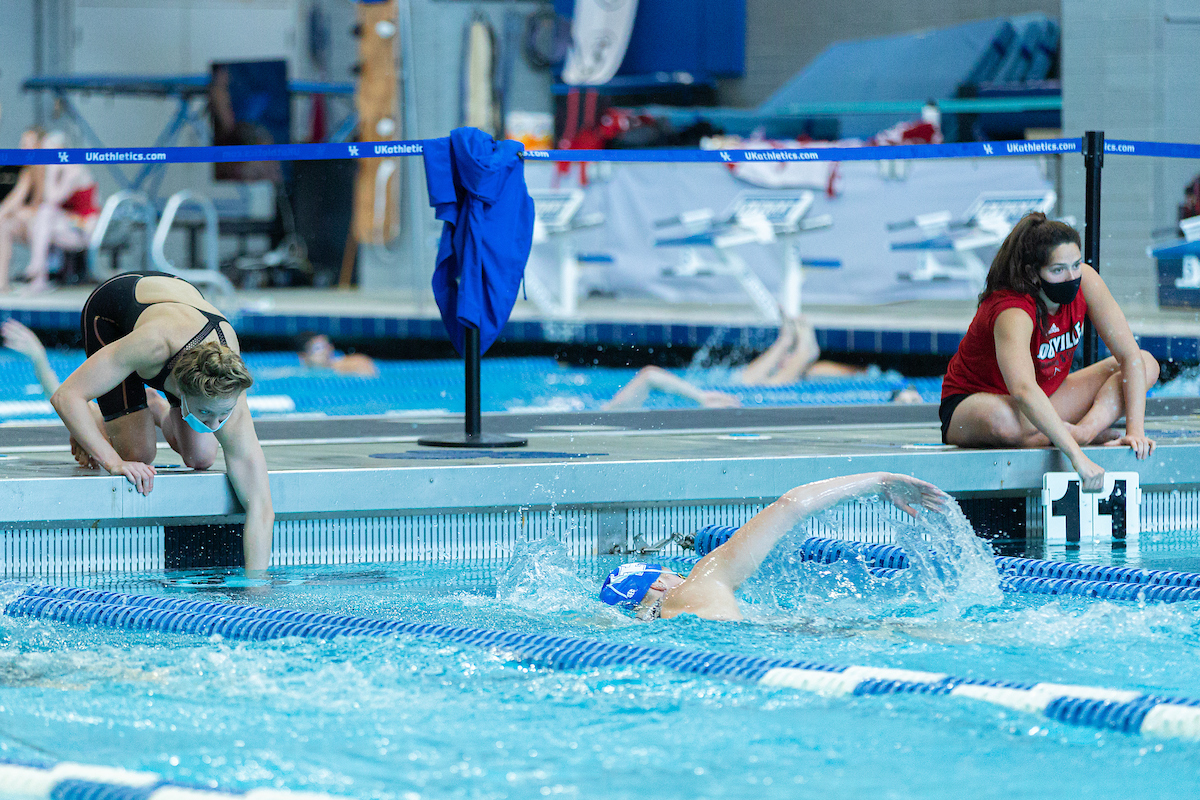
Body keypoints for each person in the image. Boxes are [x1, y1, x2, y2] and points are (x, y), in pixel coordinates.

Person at [50, 271, 274, 572]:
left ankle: (153, 406)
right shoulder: (151, 345)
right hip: (115, 311)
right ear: (180, 391)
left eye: (223, 414)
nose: (216, 423)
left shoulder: (228, 384)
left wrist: (256, 587)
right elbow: (65, 396)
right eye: (206, 413)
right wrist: (114, 462)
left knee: (201, 456)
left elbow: (261, 509)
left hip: (182, 317)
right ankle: (96, 413)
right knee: (137, 454)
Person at [939, 213, 1159, 491]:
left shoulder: (1087, 281)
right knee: (1005, 421)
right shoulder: (1013, 310)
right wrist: (1076, 457)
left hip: (1042, 401)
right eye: (1058, 270)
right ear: (1033, 274)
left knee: (1146, 363)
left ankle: (1086, 431)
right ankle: (1068, 435)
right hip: (973, 407)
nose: (1071, 277)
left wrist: (1134, 431)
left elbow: (1129, 357)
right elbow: (1023, 390)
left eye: (1076, 265)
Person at [599, 472, 948, 621]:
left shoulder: (647, 624)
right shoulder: (700, 582)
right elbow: (791, 505)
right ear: (658, 583)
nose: (681, 575)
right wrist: (878, 481)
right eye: (672, 572)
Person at [602, 316, 866, 411]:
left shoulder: (606, 413)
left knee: (745, 386)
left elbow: (650, 374)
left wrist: (701, 398)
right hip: (713, 398)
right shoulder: (606, 413)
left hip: (708, 398)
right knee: (751, 388)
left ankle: (787, 345)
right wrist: (701, 398)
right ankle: (795, 349)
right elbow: (650, 375)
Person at [15, 131, 101, 294]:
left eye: (50, 152)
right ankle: (39, 277)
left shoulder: (74, 170)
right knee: (41, 221)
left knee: (46, 212)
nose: (48, 158)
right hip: (68, 225)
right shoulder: (62, 171)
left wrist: (52, 171)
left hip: (85, 229)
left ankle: (37, 269)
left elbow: (52, 198)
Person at [0, 128, 45, 293]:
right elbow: (14, 201)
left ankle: (39, 277)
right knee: (4, 224)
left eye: (29, 143)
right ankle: (2, 282)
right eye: (22, 143)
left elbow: (42, 206)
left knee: (27, 217)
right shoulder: (26, 172)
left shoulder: (50, 167)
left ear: (40, 145)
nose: (24, 147)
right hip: (34, 224)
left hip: (51, 223)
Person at [299, 333, 379, 377]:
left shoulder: (346, 365)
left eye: (326, 346)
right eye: (318, 348)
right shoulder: (298, 372)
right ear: (303, 356)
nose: (325, 352)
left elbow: (366, 366)